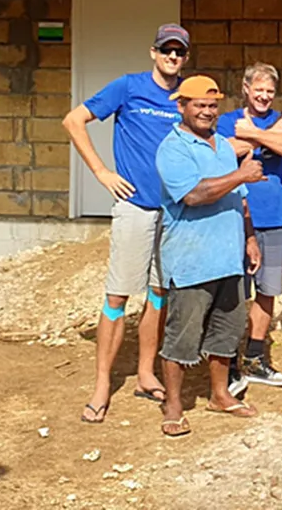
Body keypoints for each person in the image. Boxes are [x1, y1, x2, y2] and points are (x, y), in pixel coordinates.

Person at [63, 23, 189, 424]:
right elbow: (73, 120)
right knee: (118, 295)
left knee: (158, 293)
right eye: (167, 51)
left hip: (174, 211)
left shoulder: (188, 96)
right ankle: (102, 385)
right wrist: (100, 171)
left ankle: (145, 372)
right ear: (153, 52)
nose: (173, 57)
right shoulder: (128, 87)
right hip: (135, 207)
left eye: (179, 52)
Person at [154, 76, 264, 437]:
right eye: (198, 105)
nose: (206, 111)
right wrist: (240, 173)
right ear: (181, 106)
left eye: (212, 105)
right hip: (191, 261)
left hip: (228, 258)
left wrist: (249, 239)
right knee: (182, 336)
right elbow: (193, 195)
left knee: (226, 332)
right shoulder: (173, 148)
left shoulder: (221, 146)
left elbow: (240, 197)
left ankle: (219, 394)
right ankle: (173, 404)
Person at [216, 63, 282, 391]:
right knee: (234, 291)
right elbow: (225, 149)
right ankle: (226, 361)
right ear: (246, 88)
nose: (264, 96)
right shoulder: (227, 121)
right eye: (259, 90)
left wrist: (252, 134)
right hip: (235, 215)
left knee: (267, 290)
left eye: (270, 91)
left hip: (275, 216)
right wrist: (272, 139)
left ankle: (255, 358)